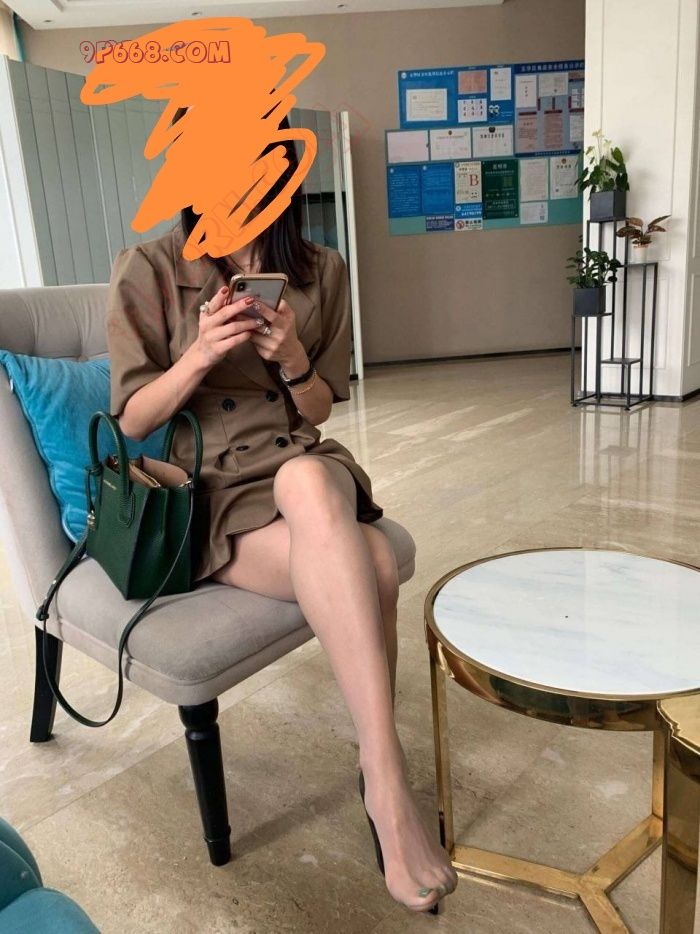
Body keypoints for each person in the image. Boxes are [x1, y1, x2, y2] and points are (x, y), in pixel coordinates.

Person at [105, 119, 458, 914]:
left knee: (305, 475)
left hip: (301, 463)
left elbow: (321, 408)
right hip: (212, 487)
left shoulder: (321, 270)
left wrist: (292, 358)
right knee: (372, 562)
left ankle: (383, 780)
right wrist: (200, 354)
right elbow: (132, 421)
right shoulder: (150, 268)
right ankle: (386, 778)